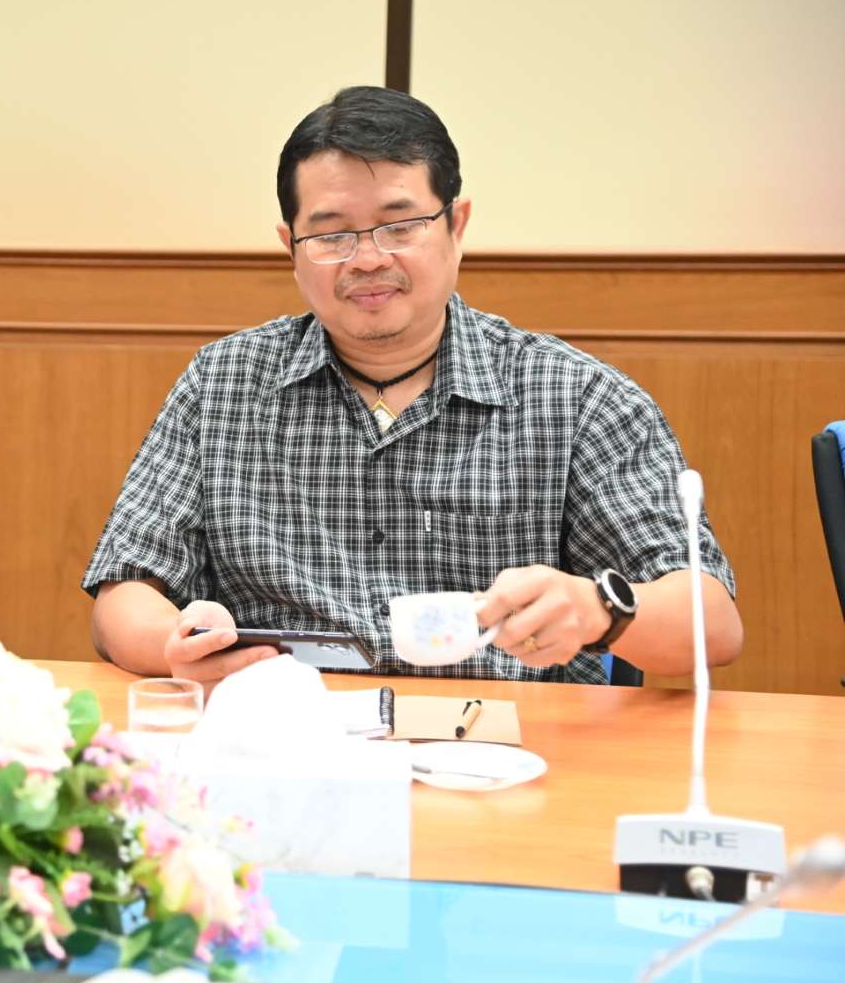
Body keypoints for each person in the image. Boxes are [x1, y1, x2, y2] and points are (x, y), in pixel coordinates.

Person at [84, 86, 741, 685]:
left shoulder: (577, 397)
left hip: (508, 749)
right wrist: (175, 646)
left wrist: (600, 609)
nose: (368, 259)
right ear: (291, 247)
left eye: (400, 226)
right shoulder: (222, 385)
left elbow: (713, 624)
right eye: (331, 234)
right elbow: (124, 593)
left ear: (457, 226)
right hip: (286, 735)